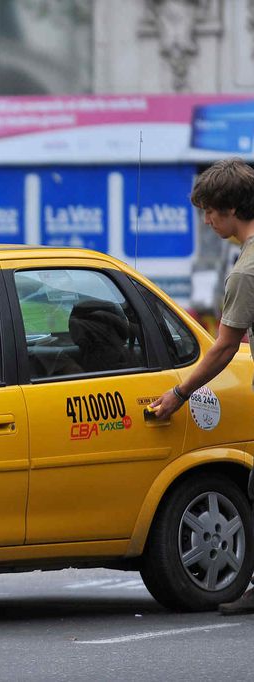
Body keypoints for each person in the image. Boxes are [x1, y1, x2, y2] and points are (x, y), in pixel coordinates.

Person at [148, 157, 254, 615]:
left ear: (230, 208)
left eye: (209, 211)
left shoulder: (246, 271)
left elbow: (223, 348)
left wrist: (178, 393)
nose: (207, 220)